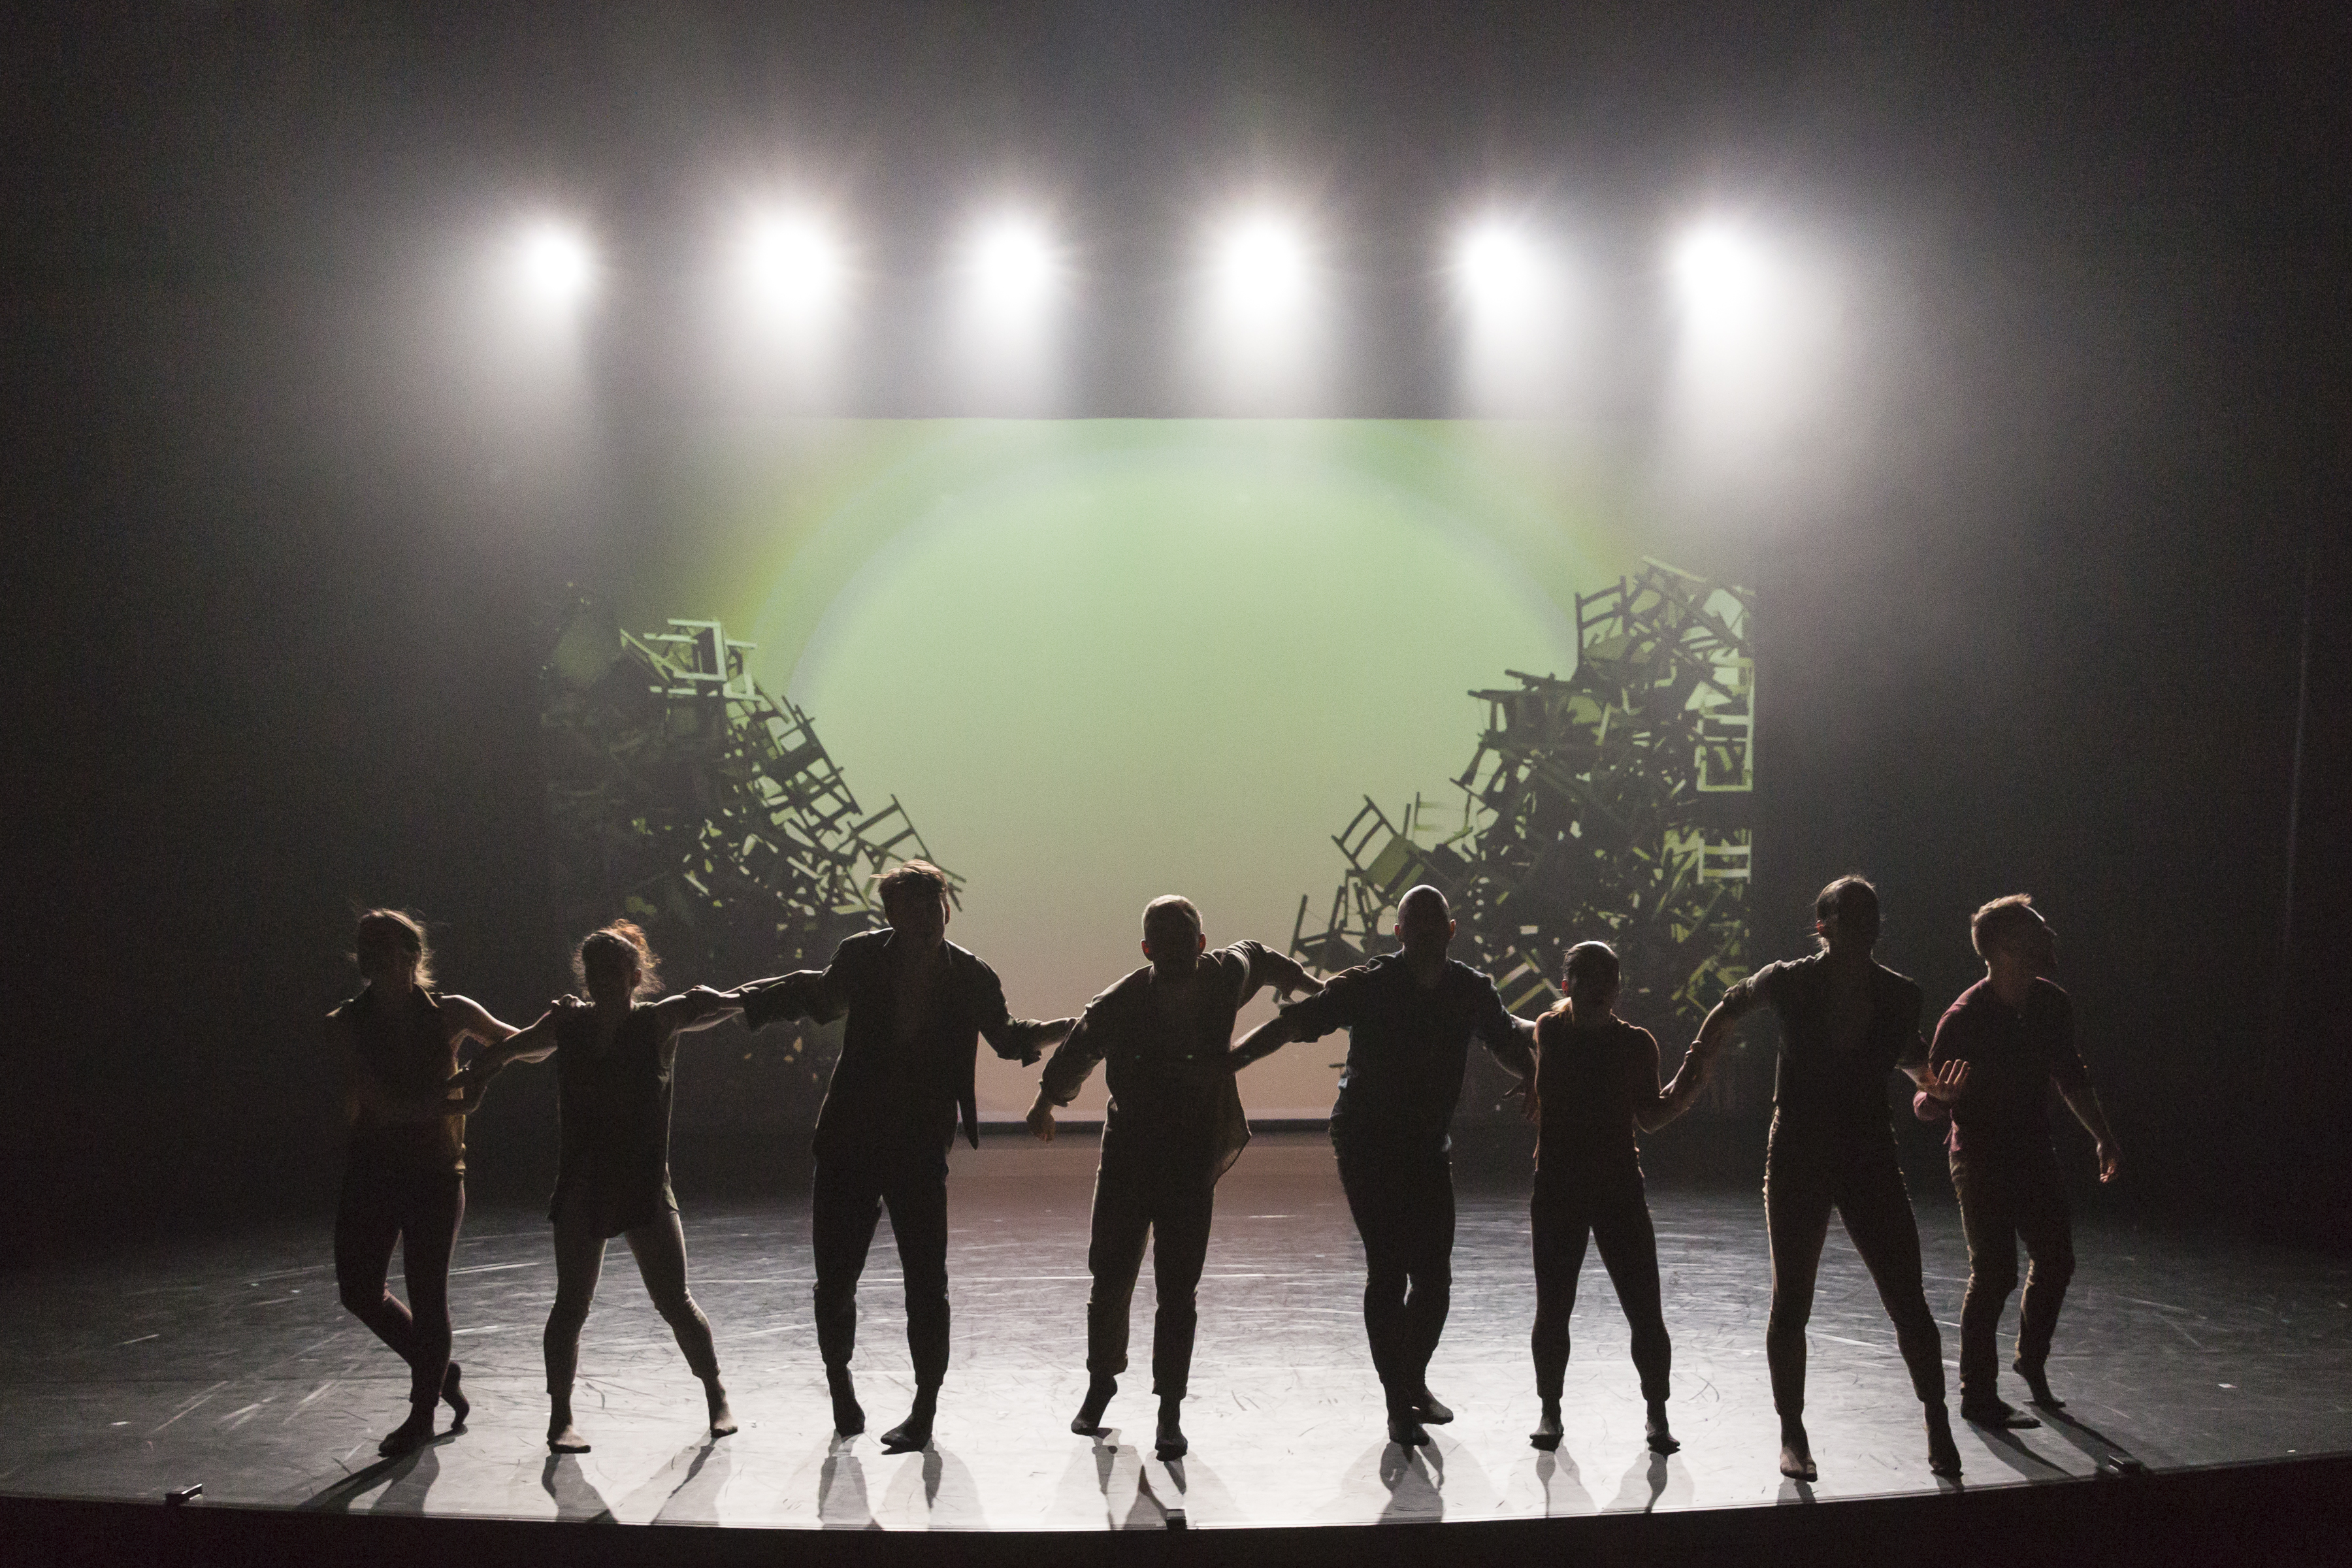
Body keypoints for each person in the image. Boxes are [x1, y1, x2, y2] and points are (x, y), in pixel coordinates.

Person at [736, 861, 1073, 1452]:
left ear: (946, 907)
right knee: (836, 1278)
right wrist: (745, 1003)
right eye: (914, 909)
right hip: (849, 1140)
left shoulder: (970, 975)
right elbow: (819, 998)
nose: (929, 919)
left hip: (918, 1146)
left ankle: (924, 1409)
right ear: (891, 914)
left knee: (927, 1282)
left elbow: (1009, 1038)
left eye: (936, 906)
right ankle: (840, 1379)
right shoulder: (863, 956)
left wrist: (1073, 1028)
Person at [1228, 884, 1536, 1448]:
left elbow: (1505, 1041)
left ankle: (1409, 1379)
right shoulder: (1370, 985)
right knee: (1389, 1273)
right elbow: (1290, 1026)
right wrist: (1230, 1064)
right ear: (1399, 933)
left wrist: (1536, 1072)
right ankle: (1399, 1403)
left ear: (1450, 930)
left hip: (1425, 1145)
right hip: (1367, 1142)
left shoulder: (1470, 989)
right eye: (1412, 925)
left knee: (1435, 1280)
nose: (1422, 933)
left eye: (1432, 923)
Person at [1691, 874, 1969, 1482]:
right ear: (1824, 925)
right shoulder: (1789, 980)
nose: (1864, 925)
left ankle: (1936, 1418)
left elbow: (1911, 1055)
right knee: (1791, 1302)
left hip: (1868, 1155)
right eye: (1850, 915)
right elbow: (1727, 1008)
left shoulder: (1901, 995)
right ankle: (1792, 1433)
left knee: (1908, 1302)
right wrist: (1695, 1069)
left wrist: (1934, 1087)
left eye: (1871, 915)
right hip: (1798, 1154)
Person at [1024, 896, 1323, 1460]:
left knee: (1177, 1286)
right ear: (1147, 950)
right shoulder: (1123, 1000)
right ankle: (1102, 1382)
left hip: (1190, 1153)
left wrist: (1309, 985)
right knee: (1110, 1274)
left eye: (1186, 937)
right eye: (1165, 940)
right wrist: (1047, 1101)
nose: (1178, 948)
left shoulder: (1223, 976)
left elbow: (1261, 957)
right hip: (1131, 1153)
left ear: (1202, 943)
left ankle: (1170, 1409)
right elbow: (1080, 1047)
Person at [458, 921, 745, 1452]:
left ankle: (716, 1393)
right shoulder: (569, 1025)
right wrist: (476, 1075)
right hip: (584, 1183)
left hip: (642, 1184)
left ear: (636, 975)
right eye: (595, 972)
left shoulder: (659, 1021)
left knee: (675, 1301)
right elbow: (512, 1049)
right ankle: (560, 1418)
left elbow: (736, 1005)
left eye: (615, 971)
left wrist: (726, 998)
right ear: (585, 977)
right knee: (571, 1305)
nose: (604, 980)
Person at [1915, 894, 2119, 1426]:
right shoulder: (1964, 1018)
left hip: (2033, 1152)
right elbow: (1924, 1100)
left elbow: (2070, 1073)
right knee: (1995, 1274)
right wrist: (1942, 1100)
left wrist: (2103, 1135)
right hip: (1980, 1157)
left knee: (2056, 1261)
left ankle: (2030, 1361)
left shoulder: (2052, 1004)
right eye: (2036, 932)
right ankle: (1978, 1396)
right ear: (2004, 949)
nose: (2049, 938)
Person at [327, 909, 523, 1456]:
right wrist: (456, 1097)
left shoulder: (448, 1012)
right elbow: (382, 1108)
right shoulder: (345, 1022)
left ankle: (422, 1413)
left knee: (428, 1295)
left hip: (434, 1173)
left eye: (388, 945)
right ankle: (440, 1370)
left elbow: (517, 1044)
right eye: (369, 946)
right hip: (372, 1169)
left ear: (414, 954)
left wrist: (484, 1073)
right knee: (359, 1292)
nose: (376, 956)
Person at [1524, 941, 1721, 1455]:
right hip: (1559, 1188)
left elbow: (1650, 1117)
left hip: (1617, 1190)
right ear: (1569, 985)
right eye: (1591, 978)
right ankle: (1550, 1410)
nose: (1602, 988)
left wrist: (1685, 1095)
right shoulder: (1551, 1032)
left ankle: (1657, 1415)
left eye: (1610, 978)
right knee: (1554, 1308)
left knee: (1645, 1312)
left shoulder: (1636, 1044)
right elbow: (1542, 1061)